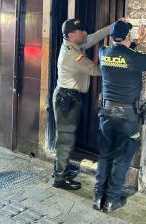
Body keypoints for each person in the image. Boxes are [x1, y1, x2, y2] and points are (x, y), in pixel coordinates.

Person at [93, 20, 146, 212]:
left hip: (107, 113)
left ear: (111, 38)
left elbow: (121, 56)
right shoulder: (133, 58)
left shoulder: (103, 53)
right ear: (128, 36)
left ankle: (98, 198)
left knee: (105, 156)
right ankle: (111, 200)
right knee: (122, 158)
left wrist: (134, 43)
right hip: (127, 116)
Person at [52, 19, 111, 190]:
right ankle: (60, 178)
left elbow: (92, 37)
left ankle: (59, 170)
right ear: (71, 35)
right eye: (80, 31)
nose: (85, 32)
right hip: (67, 99)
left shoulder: (74, 45)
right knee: (66, 139)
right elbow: (95, 70)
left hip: (68, 97)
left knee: (65, 137)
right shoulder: (73, 55)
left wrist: (113, 27)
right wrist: (118, 64)